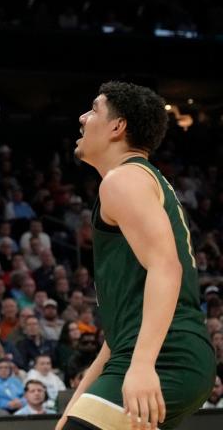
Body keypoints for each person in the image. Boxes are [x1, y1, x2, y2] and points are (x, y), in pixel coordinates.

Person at [58, 82, 215, 430]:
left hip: (167, 357)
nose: (83, 118)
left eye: (94, 110)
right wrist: (72, 410)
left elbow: (166, 268)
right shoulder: (139, 181)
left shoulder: (123, 180)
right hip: (157, 354)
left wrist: (143, 365)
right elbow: (117, 339)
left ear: (118, 127)